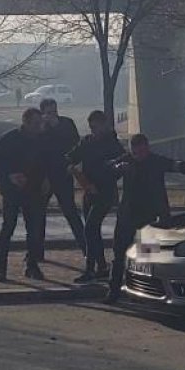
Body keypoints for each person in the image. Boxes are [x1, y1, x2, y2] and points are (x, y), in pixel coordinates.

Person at [105, 133, 185, 303]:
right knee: (119, 255)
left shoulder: (155, 161)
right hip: (127, 216)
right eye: (135, 150)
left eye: (142, 149)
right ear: (131, 150)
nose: (139, 153)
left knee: (146, 258)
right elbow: (108, 168)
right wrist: (117, 167)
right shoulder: (126, 161)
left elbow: (175, 166)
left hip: (149, 218)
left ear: (147, 147)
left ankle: (144, 292)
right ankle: (113, 291)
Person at [65, 109, 125, 284]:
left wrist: (107, 175)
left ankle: (90, 269)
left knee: (90, 228)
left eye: (97, 127)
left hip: (105, 192)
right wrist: (69, 165)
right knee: (92, 230)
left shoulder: (113, 145)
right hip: (88, 190)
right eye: (92, 127)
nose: (94, 131)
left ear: (105, 125)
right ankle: (101, 266)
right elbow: (70, 156)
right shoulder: (87, 142)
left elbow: (120, 167)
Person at [0, 107, 48, 281]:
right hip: (12, 190)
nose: (39, 127)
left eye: (40, 124)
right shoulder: (9, 139)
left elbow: (46, 162)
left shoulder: (41, 141)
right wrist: (10, 175)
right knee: (8, 227)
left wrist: (45, 180)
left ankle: (32, 265)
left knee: (34, 230)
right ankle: (0, 266)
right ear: (26, 122)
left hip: (33, 190)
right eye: (36, 124)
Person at [36, 97, 85, 263]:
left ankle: (86, 248)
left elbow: (75, 144)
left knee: (70, 212)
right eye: (48, 113)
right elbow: (38, 153)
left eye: (54, 112)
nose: (52, 116)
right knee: (38, 215)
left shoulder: (66, 124)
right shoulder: (40, 129)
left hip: (63, 175)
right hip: (45, 177)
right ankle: (36, 252)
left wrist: (72, 164)